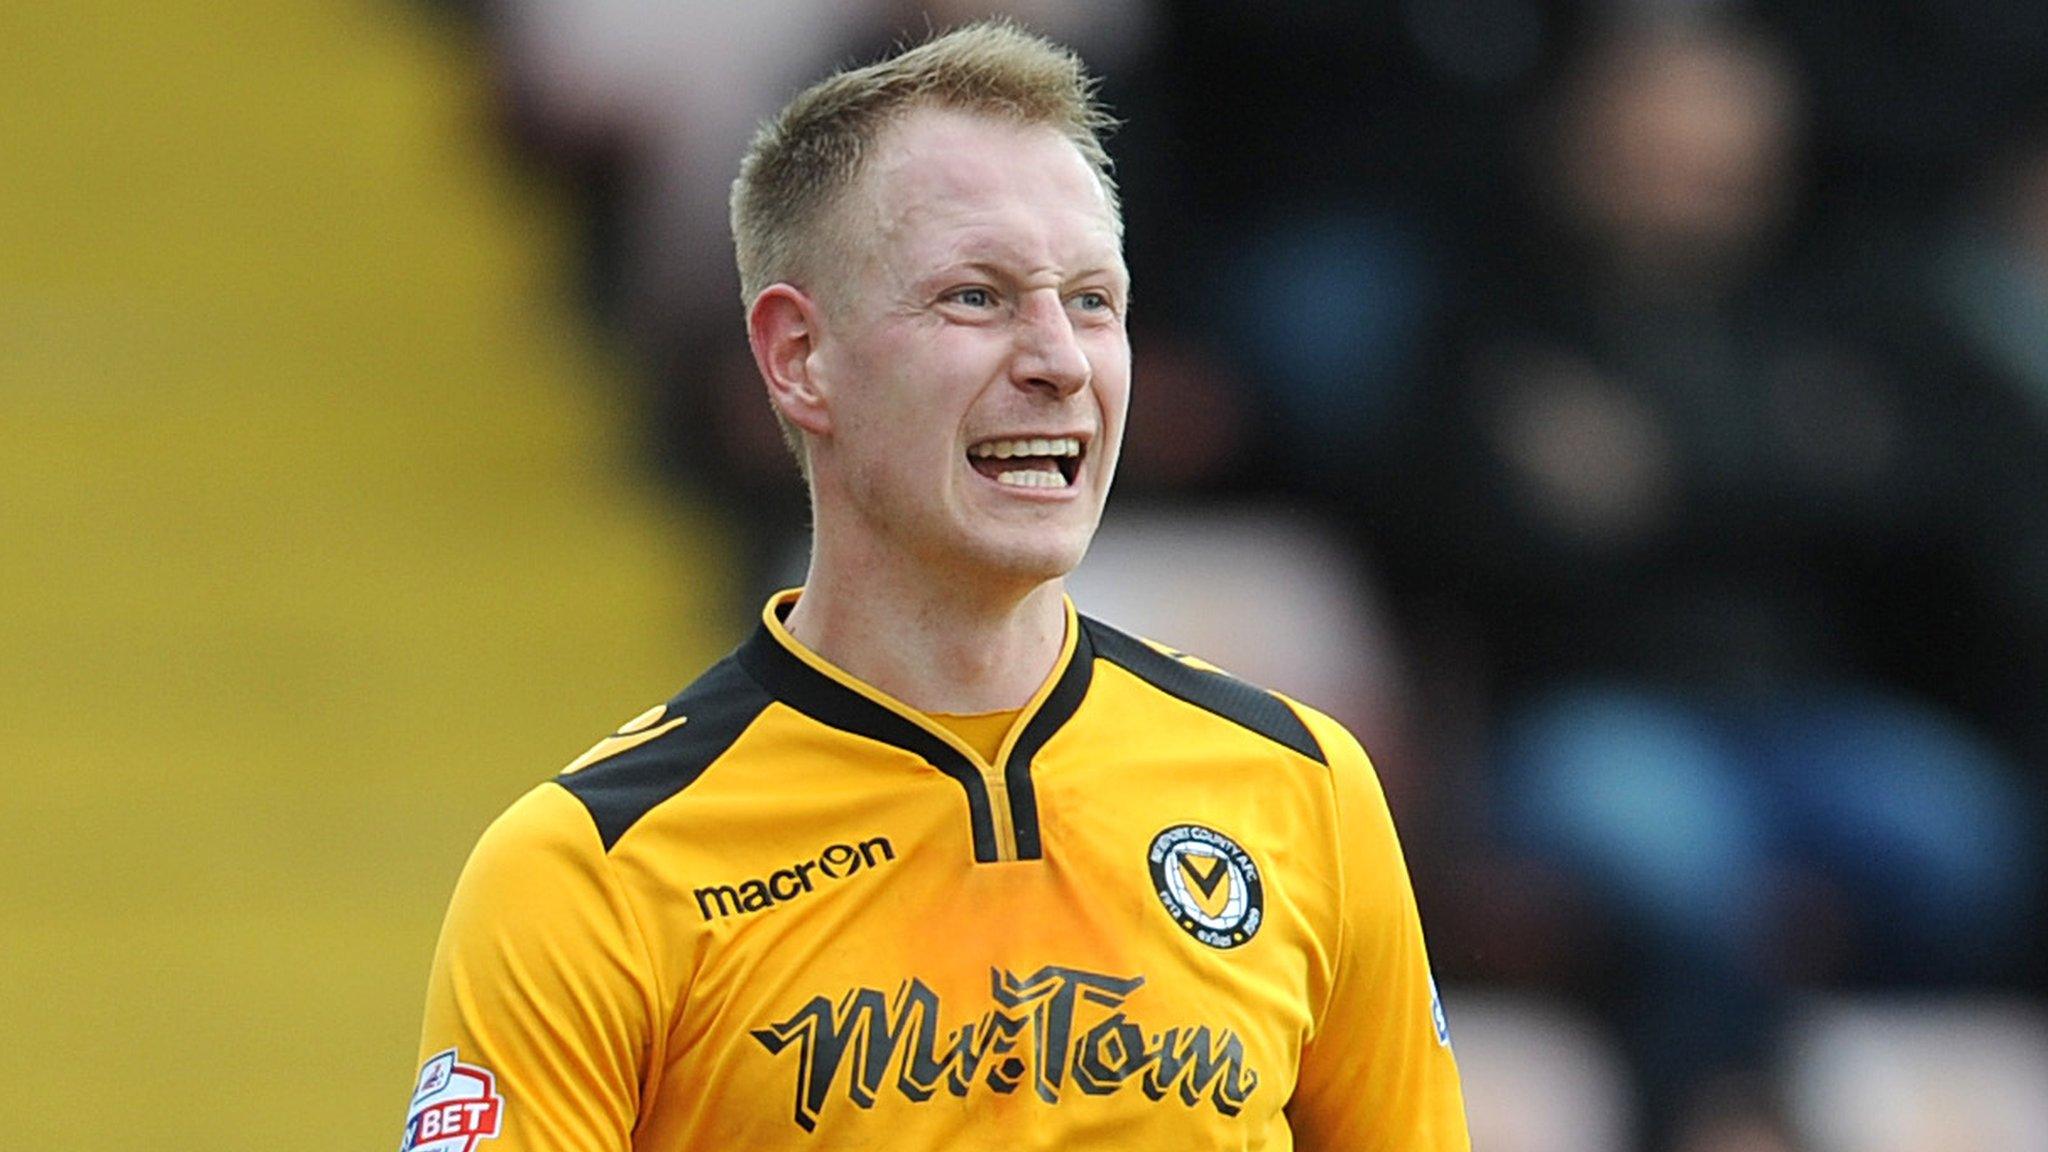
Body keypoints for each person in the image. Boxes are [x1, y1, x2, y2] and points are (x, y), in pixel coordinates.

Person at [402, 21, 1469, 1151]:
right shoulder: (588, 872)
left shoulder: (1302, 792)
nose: (1058, 358)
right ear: (797, 357)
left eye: (1093, 300)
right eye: (976, 296)